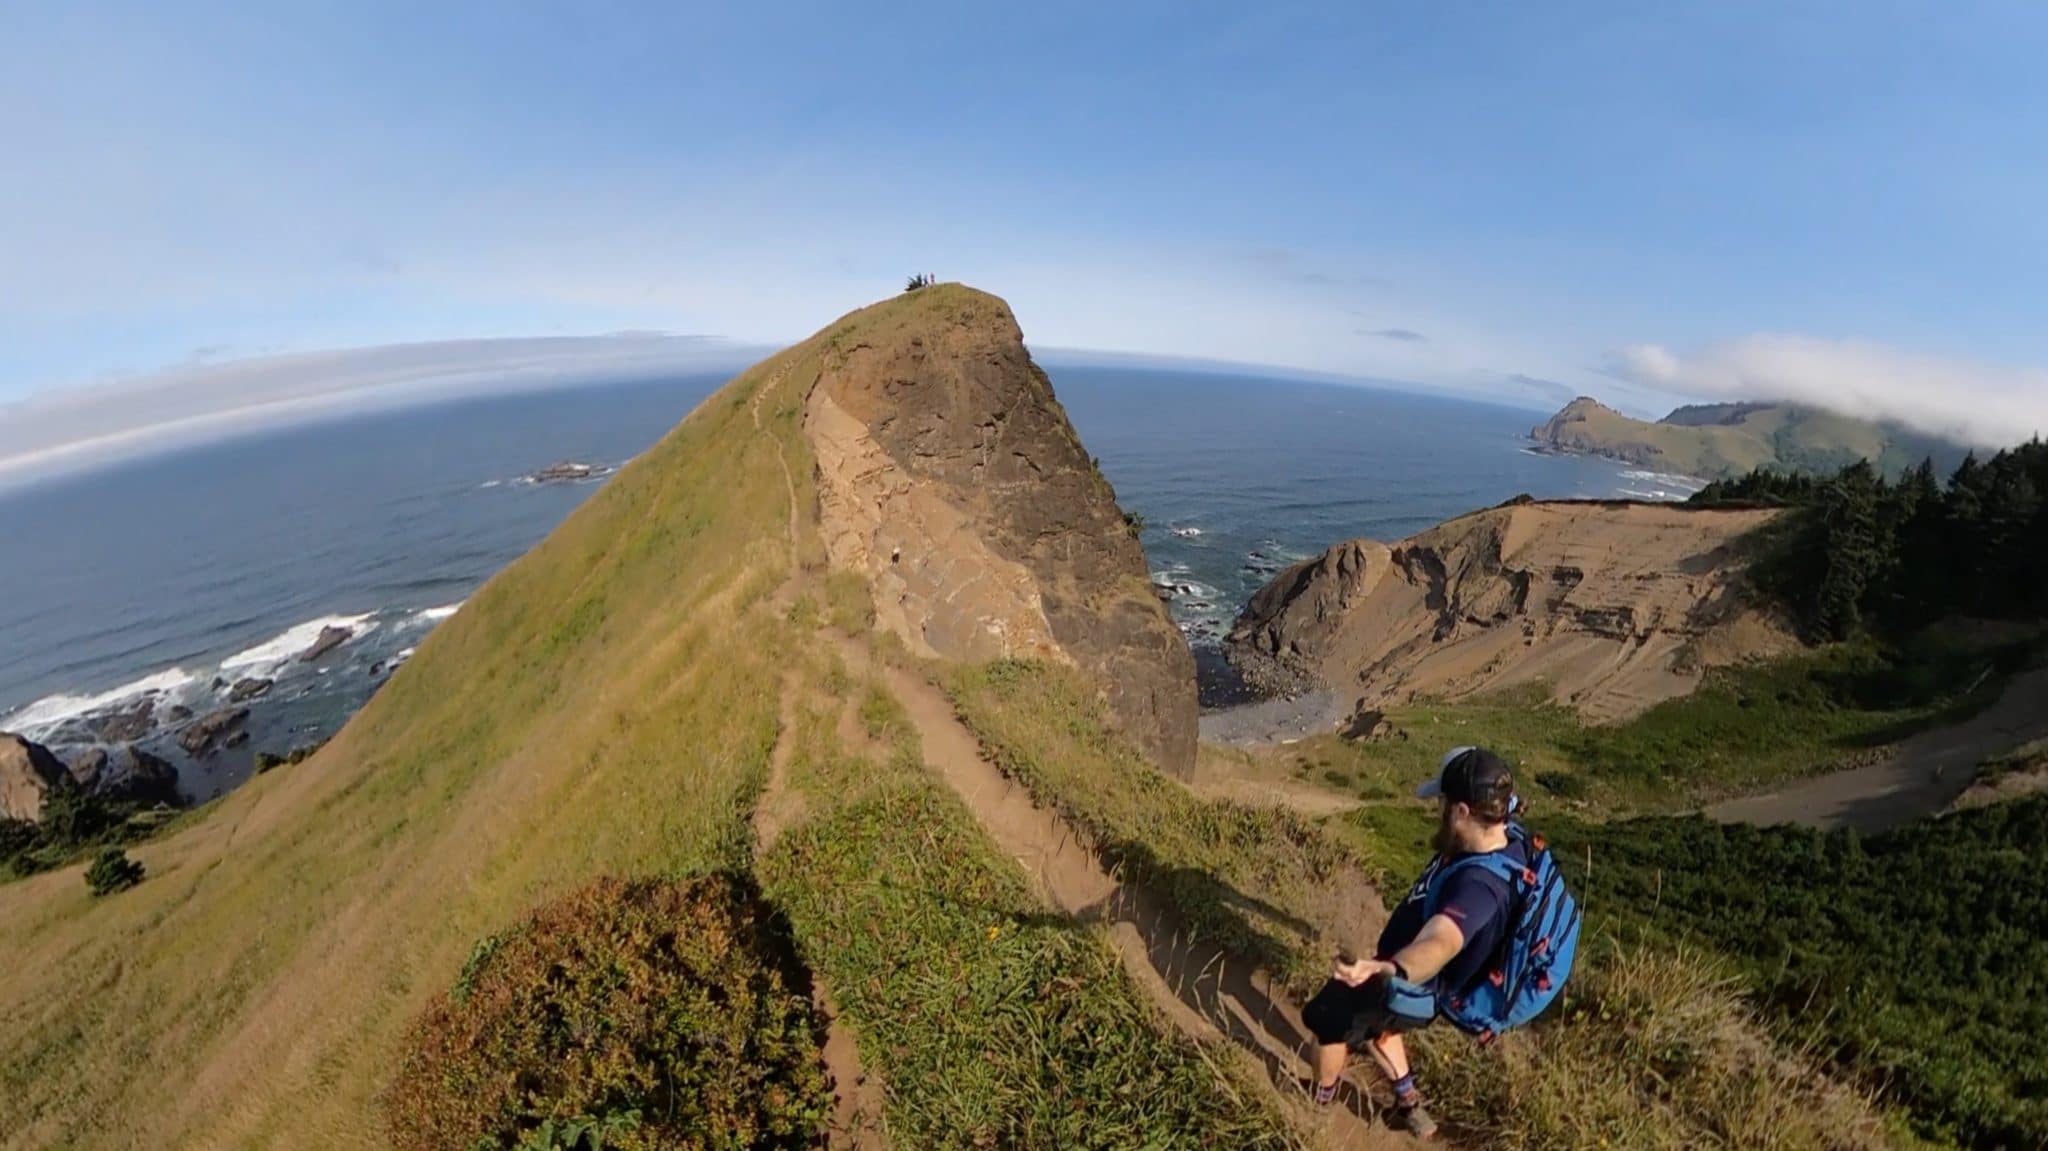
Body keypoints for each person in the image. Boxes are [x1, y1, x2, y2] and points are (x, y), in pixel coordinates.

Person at [1301, 746, 1526, 1140]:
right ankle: (1409, 1106)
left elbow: (1442, 941)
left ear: (1462, 811)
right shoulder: (1500, 836)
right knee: (1381, 1024)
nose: (1437, 809)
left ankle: (1318, 1105)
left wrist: (1388, 968)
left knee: (1329, 1018)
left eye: (1442, 802)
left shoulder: (1479, 888)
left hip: (1413, 984)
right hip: (1422, 989)